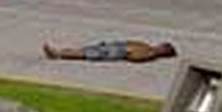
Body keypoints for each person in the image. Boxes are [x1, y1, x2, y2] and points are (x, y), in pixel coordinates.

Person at [43, 40, 177, 63]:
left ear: (164, 51)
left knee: (85, 53)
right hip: (118, 46)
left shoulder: (151, 54)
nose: (160, 45)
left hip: (118, 51)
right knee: (84, 50)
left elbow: (136, 57)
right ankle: (58, 52)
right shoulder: (149, 48)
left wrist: (126, 52)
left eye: (164, 47)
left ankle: (57, 53)